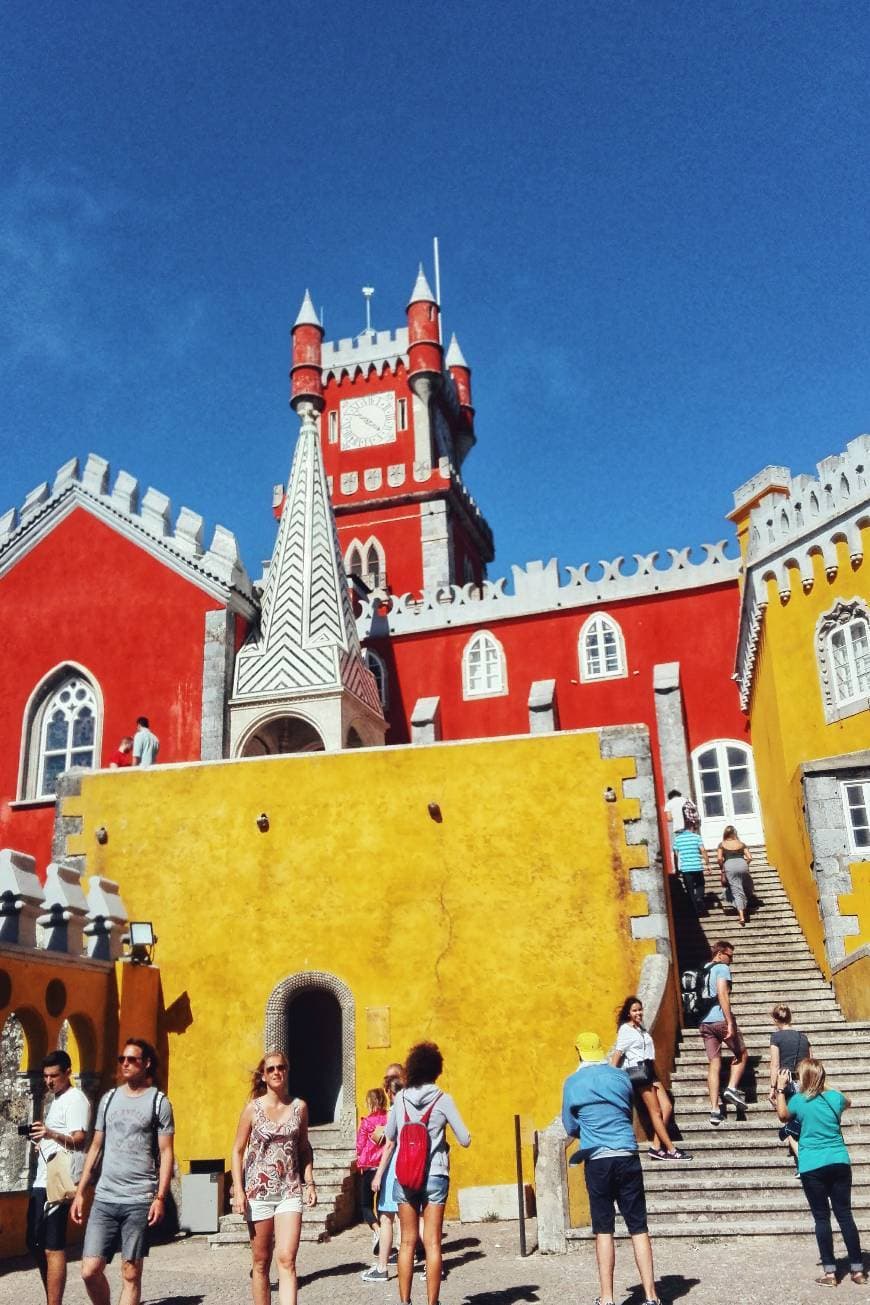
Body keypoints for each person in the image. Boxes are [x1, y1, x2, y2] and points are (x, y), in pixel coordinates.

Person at [72, 1038, 174, 1305]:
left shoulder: (159, 1102)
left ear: (146, 1063)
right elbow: (95, 1147)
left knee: (130, 1273)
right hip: (105, 1198)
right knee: (89, 1271)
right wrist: (81, 1191)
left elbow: (166, 1153)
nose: (125, 1064)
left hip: (138, 1199)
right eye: (122, 1060)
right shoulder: (109, 1099)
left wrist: (160, 1198)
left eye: (132, 1060)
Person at [562, 1031, 661, 1305]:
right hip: (627, 1154)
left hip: (597, 1159)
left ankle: (607, 1298)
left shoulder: (572, 1083)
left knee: (603, 1228)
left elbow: (570, 1126)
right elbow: (627, 1112)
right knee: (638, 1227)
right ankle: (651, 1296)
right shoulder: (620, 1077)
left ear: (579, 1052)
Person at [372, 1041, 470, 1305]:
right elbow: (465, 1138)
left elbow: (390, 1134)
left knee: (406, 1242)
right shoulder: (443, 1099)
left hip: (405, 1175)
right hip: (436, 1173)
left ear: (412, 1068)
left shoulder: (400, 1098)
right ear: (436, 1069)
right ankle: (432, 1302)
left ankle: (405, 1301)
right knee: (433, 1243)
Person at [230, 1049, 316, 1305]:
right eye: (271, 1069)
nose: (277, 1072)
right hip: (258, 1193)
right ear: (264, 1076)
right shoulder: (252, 1109)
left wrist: (309, 1182)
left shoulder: (299, 1107)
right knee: (261, 1262)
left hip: (289, 1191)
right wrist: (238, 1189)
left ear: (287, 1071)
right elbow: (237, 1150)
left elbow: (304, 1147)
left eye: (281, 1067)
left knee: (287, 1259)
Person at [776, 1057, 867, 1286]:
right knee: (845, 1215)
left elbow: (782, 1115)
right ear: (822, 1075)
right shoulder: (835, 1098)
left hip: (812, 1165)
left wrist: (779, 1088)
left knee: (821, 1218)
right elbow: (849, 1102)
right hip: (839, 1161)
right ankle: (858, 1270)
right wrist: (824, 1085)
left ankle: (830, 1272)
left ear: (802, 1077)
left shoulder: (798, 1101)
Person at [26, 1050, 91, 1305]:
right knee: (33, 1241)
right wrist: (43, 1142)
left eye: (54, 1076)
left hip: (59, 1181)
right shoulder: (58, 1100)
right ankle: (51, 1298)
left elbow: (79, 1140)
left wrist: (51, 1134)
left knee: (53, 1245)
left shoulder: (75, 1099)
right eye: (45, 1076)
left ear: (67, 1073)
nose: (49, 1081)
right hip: (43, 1178)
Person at [610, 996, 689, 1161]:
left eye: (640, 1009)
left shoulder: (641, 1028)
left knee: (666, 1106)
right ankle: (671, 1149)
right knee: (656, 1111)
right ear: (628, 1013)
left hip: (650, 1071)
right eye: (634, 1010)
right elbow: (617, 1055)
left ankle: (655, 1146)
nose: (638, 1013)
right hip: (639, 1072)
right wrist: (612, 1077)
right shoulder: (626, 1030)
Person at [362, 1063, 406, 1284]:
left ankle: (382, 1267)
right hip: (413, 1170)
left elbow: (387, 1144)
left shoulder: (395, 1111)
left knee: (386, 1218)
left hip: (393, 1170)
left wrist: (378, 1175)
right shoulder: (415, 1107)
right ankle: (423, 1263)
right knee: (411, 1218)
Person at [698, 939, 749, 1125]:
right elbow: (722, 994)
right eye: (730, 956)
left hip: (704, 1022)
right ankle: (731, 1088)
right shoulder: (721, 968)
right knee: (742, 1053)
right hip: (719, 1019)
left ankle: (714, 1109)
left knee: (714, 1062)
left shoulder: (703, 969)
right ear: (720, 954)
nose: (731, 960)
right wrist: (729, 1022)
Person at [768, 1004, 810, 1164]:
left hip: (786, 1083)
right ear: (790, 1017)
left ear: (775, 1020)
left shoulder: (776, 1037)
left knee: (789, 1124)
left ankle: (803, 1161)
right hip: (805, 1082)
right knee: (804, 1121)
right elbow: (812, 1062)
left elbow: (775, 1064)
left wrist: (773, 1087)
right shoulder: (803, 1038)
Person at [356, 1088, 388, 1257]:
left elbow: (360, 1145)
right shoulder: (390, 1119)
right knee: (382, 1204)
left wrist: (359, 1162)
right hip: (385, 1167)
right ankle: (385, 1231)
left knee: (365, 1205)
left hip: (369, 1168)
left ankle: (377, 1230)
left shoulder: (367, 1122)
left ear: (371, 1102)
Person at [717, 825, 753, 926]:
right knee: (747, 886)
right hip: (742, 864)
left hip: (730, 866)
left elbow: (719, 859)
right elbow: (750, 857)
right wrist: (745, 865)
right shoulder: (741, 844)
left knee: (736, 890)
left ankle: (741, 916)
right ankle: (743, 904)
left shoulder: (722, 844)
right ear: (735, 833)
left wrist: (722, 869)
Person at [673, 823, 708, 915]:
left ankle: (695, 910)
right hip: (697, 866)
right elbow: (703, 850)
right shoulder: (696, 837)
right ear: (692, 828)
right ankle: (699, 897)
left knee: (690, 889)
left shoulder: (677, 839)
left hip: (686, 868)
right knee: (700, 884)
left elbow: (676, 855)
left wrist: (677, 868)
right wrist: (707, 863)